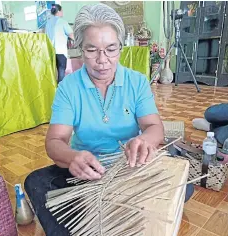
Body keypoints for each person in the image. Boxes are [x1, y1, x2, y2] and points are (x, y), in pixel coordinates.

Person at [25, 4, 191, 235]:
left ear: (121, 48)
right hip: (87, 171)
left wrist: (144, 141)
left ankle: (99, 212)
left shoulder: (136, 82)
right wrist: (73, 157)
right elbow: (54, 140)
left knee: (185, 184)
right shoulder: (68, 88)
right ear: (80, 49)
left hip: (129, 167)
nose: (103, 60)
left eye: (111, 49)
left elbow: (154, 127)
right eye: (92, 50)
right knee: (36, 182)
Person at [45, 4, 74, 84]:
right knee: (61, 72)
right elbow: (71, 34)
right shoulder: (62, 22)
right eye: (62, 11)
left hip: (50, 51)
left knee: (53, 72)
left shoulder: (48, 23)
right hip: (60, 51)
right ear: (59, 11)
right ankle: (60, 90)